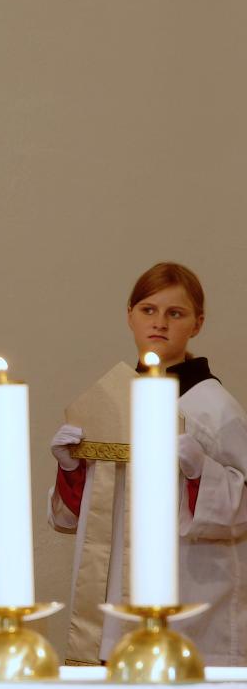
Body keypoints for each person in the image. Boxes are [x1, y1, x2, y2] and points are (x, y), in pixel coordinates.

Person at [48, 262, 247, 665]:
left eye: (175, 313)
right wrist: (71, 470)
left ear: (197, 324)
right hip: (117, 601)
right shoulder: (109, 401)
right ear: (130, 315)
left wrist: (202, 474)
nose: (159, 323)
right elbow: (82, 520)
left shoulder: (214, 409)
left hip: (193, 599)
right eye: (148, 310)